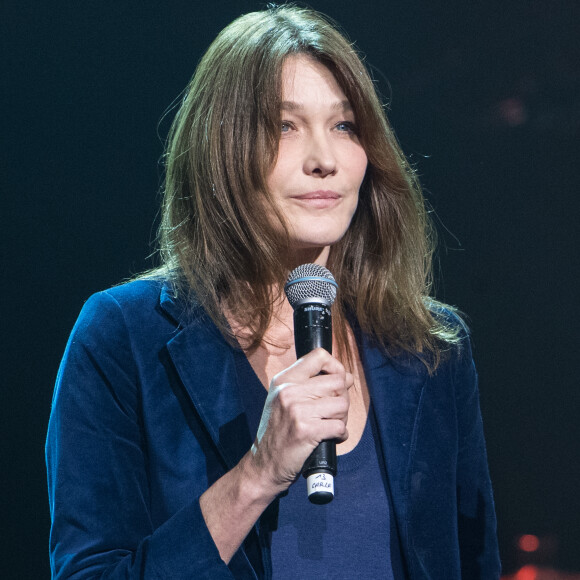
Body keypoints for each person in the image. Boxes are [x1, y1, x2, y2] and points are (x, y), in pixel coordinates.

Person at [46, 5, 500, 579]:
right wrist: (257, 472)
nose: (324, 160)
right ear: (222, 150)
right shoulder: (121, 338)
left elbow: (475, 561)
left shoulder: (429, 347)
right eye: (284, 126)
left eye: (344, 126)